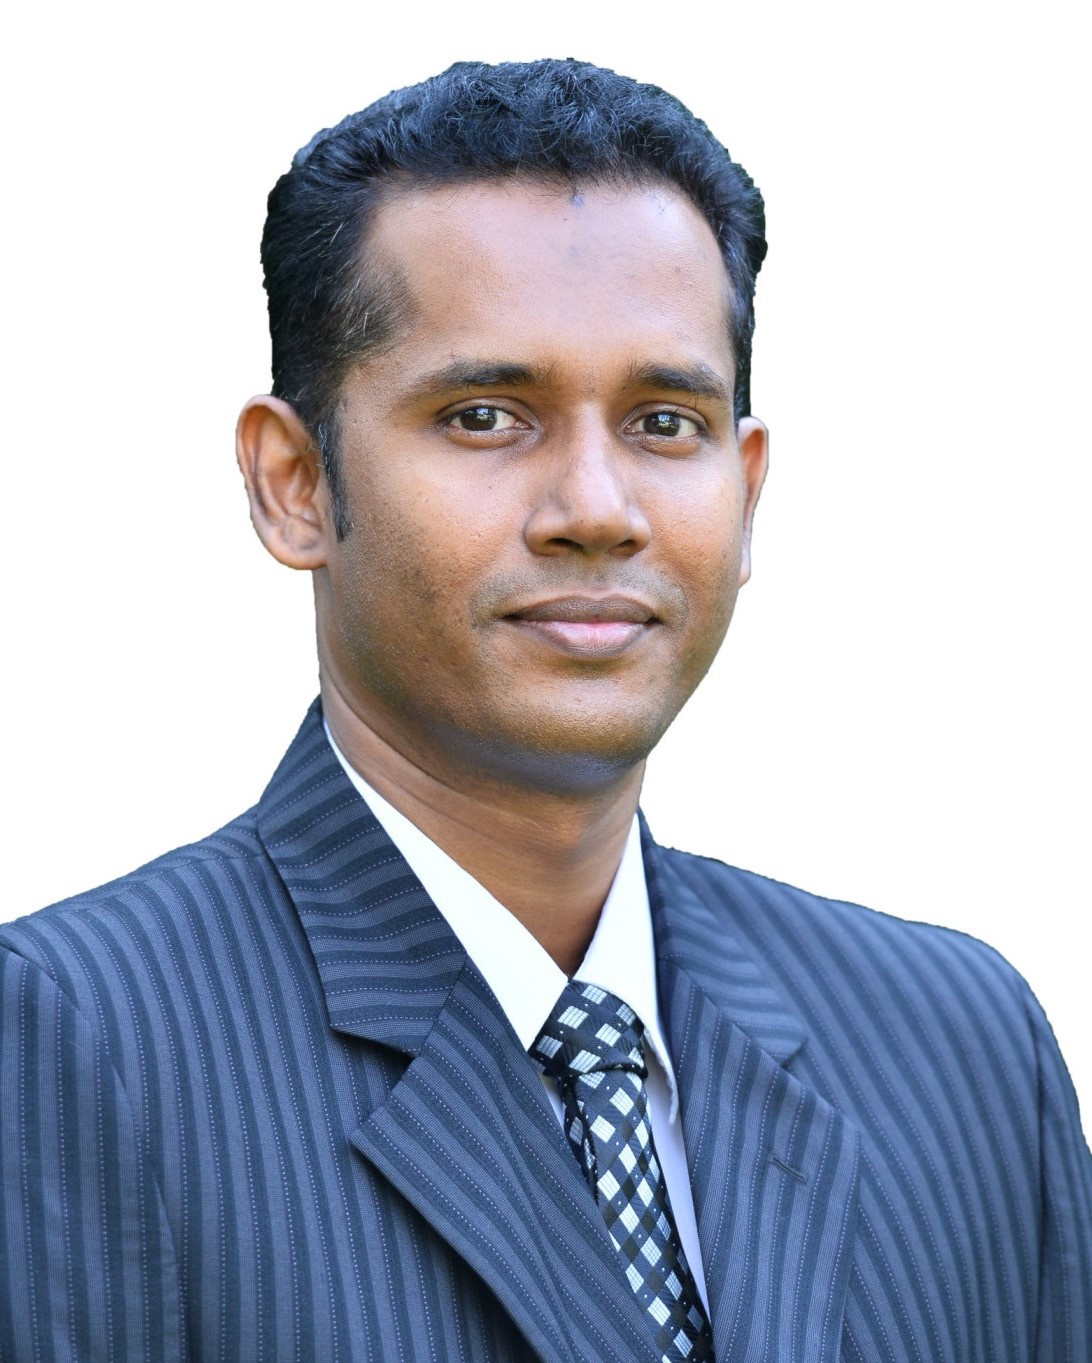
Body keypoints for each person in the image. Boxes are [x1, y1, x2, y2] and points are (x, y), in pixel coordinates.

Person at [1, 58, 1088, 1363]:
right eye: (485, 416)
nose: (598, 509)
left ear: (748, 491)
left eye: (665, 422)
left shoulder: (963, 1051)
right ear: (293, 484)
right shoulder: (72, 1045)